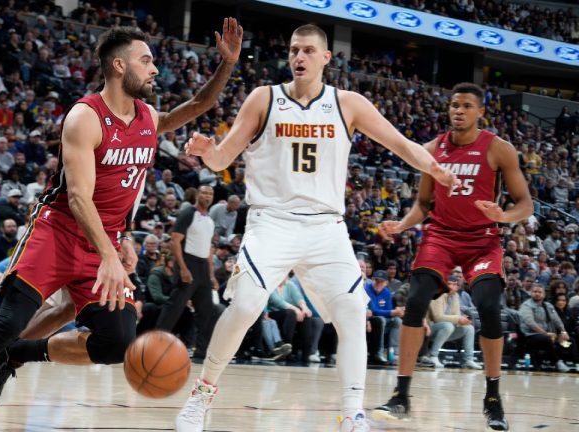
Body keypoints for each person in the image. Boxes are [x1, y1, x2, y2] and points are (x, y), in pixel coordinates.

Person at [0, 20, 243, 431]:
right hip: (58, 230)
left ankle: (19, 356)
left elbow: (196, 107)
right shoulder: (85, 117)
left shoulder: (148, 117)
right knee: (5, 323)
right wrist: (110, 254)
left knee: (116, 342)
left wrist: (225, 65)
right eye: (146, 60)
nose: (155, 69)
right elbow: (81, 198)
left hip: (104, 241)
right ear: (119, 66)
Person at [174, 24, 457, 432]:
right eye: (293, 50)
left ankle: (352, 413)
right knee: (247, 305)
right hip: (271, 222)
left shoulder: (348, 104)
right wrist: (207, 153)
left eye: (308, 50)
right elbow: (223, 159)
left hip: (326, 227)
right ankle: (201, 398)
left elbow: (400, 144)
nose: (299, 57)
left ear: (327, 57)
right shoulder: (263, 98)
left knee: (353, 309)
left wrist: (434, 168)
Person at [373, 83, 533, 432]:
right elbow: (423, 205)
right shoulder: (432, 150)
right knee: (415, 301)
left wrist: (502, 216)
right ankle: (401, 395)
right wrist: (401, 225)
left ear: (480, 112)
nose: (457, 111)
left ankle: (493, 398)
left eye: (465, 106)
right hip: (441, 237)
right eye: (453, 105)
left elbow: (525, 204)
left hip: (482, 241)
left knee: (490, 308)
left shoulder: (498, 149)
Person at [155, 185, 218, 358]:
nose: (207, 196)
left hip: (203, 268)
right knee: (173, 308)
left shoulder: (210, 220)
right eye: (204, 192)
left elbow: (208, 251)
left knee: (206, 312)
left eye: (210, 193)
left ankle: (201, 351)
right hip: (187, 262)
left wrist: (211, 275)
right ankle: (155, 345)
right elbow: (175, 241)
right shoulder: (188, 213)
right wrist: (182, 268)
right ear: (197, 195)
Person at [424, 275, 482, 369]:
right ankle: (433, 355)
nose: (452, 286)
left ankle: (468, 360)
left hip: (446, 330)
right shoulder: (437, 294)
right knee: (448, 326)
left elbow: (456, 315)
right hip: (429, 329)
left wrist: (463, 321)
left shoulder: (455, 296)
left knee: (469, 328)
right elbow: (437, 317)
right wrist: (458, 319)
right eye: (449, 284)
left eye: (455, 284)